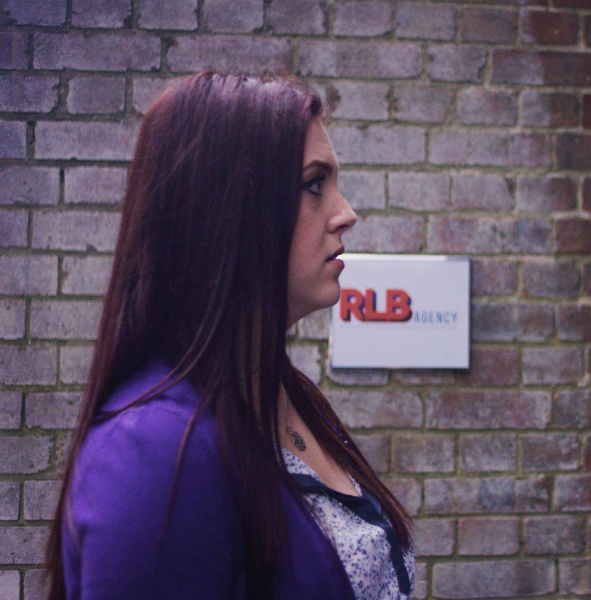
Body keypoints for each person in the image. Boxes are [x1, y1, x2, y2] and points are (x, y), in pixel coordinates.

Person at [45, 72, 415, 599]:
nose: (346, 214)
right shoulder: (156, 453)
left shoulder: (284, 393)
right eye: (314, 184)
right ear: (227, 210)